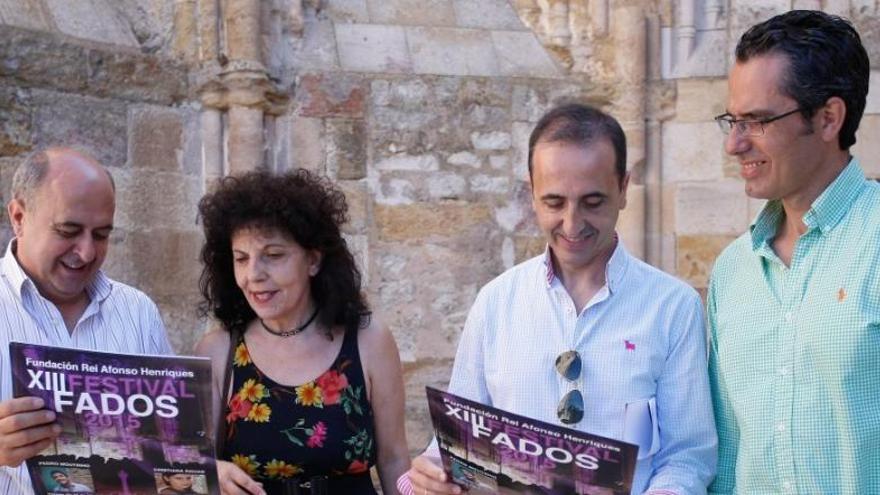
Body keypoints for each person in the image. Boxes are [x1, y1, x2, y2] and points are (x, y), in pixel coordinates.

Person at [401, 104, 717, 495]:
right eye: (554, 203)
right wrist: (430, 476)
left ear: (623, 189)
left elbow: (688, 455)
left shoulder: (673, 308)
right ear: (531, 193)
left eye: (593, 202)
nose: (572, 224)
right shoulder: (495, 303)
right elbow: (454, 445)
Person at [707, 10, 878, 494]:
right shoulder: (732, 271)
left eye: (758, 121)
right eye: (732, 121)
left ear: (828, 118)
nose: (735, 145)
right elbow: (727, 454)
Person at [195, 170, 409, 495]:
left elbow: (393, 459)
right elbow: (192, 467)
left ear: (313, 260)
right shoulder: (217, 351)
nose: (254, 274)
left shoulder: (369, 340)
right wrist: (212, 472)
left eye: (274, 256)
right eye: (241, 258)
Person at [0, 147, 172, 494]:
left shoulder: (138, 313)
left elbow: (171, 447)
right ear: (19, 217)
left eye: (101, 234)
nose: (87, 252)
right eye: (68, 230)